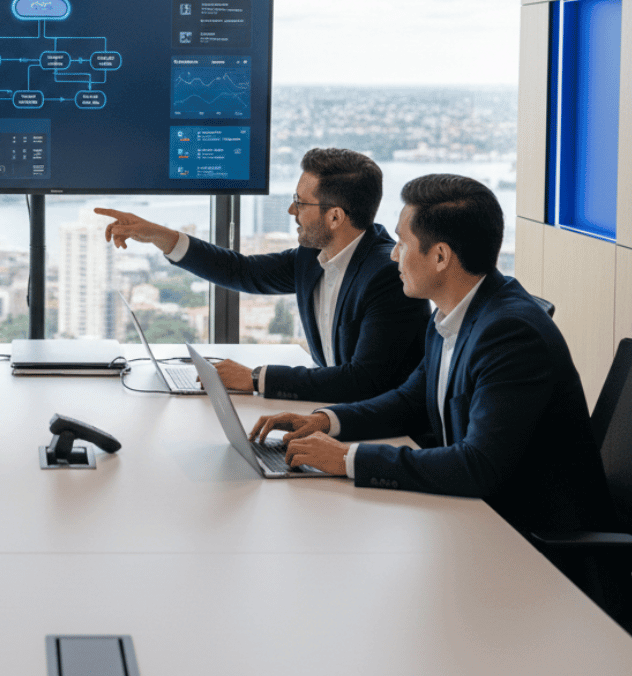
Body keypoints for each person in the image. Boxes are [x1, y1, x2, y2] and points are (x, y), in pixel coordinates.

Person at [252, 174, 614, 540]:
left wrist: (348, 459)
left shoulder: (510, 334)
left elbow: (478, 465)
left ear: (440, 256)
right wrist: (325, 422)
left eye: (403, 243)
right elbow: (409, 401)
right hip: (473, 520)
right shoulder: (452, 313)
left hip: (535, 545)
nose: (393, 253)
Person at [95, 147, 430, 403]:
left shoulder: (387, 275)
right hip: (336, 413)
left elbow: (364, 381)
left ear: (335, 217)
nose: (291, 211)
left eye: (300, 203)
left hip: (386, 434)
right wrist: (159, 236)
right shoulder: (312, 256)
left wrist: (256, 378)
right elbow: (242, 271)